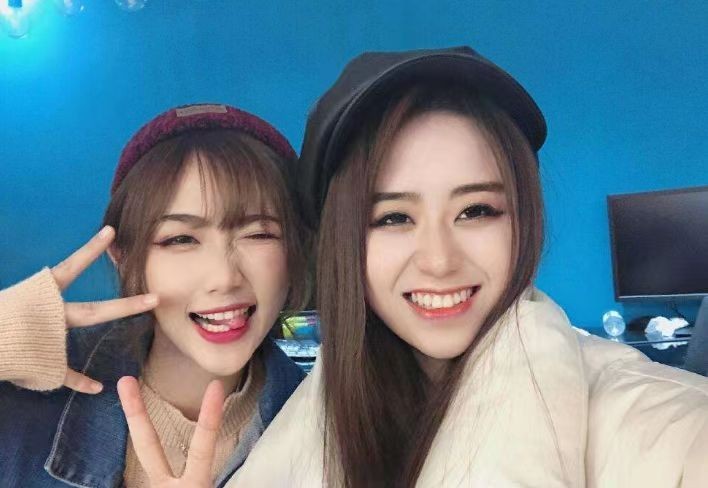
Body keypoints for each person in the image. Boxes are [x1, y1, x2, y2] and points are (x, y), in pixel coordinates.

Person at [227, 47, 708, 487]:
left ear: (522, 218)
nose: (439, 261)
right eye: (394, 217)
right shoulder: (306, 418)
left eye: (476, 211)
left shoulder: (652, 419)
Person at [0, 103, 307, 487]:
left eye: (259, 234)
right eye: (181, 239)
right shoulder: (21, 399)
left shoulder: (328, 423)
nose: (224, 278)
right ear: (123, 257)